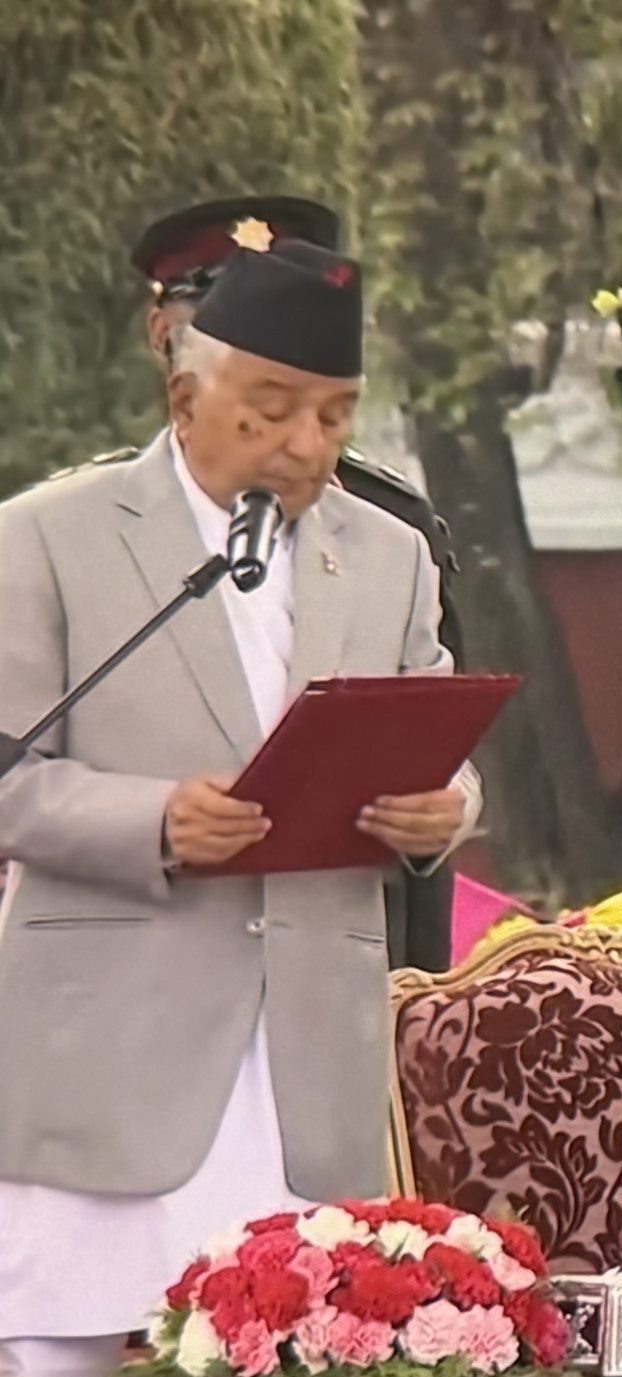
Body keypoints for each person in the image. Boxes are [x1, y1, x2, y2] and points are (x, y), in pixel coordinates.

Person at [0, 237, 480, 1377]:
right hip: (111, 1040)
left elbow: (443, 743)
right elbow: (11, 774)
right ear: (184, 395)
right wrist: (157, 819)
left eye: (332, 416)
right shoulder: (47, 536)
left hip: (307, 1045)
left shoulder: (392, 555)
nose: (305, 446)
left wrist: (443, 808)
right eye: (269, 411)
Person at [105, 195, 469, 973]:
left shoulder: (393, 538)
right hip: (135, 978)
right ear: (163, 343)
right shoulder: (79, 531)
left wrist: (413, 992)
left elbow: (434, 751)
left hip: (327, 979)